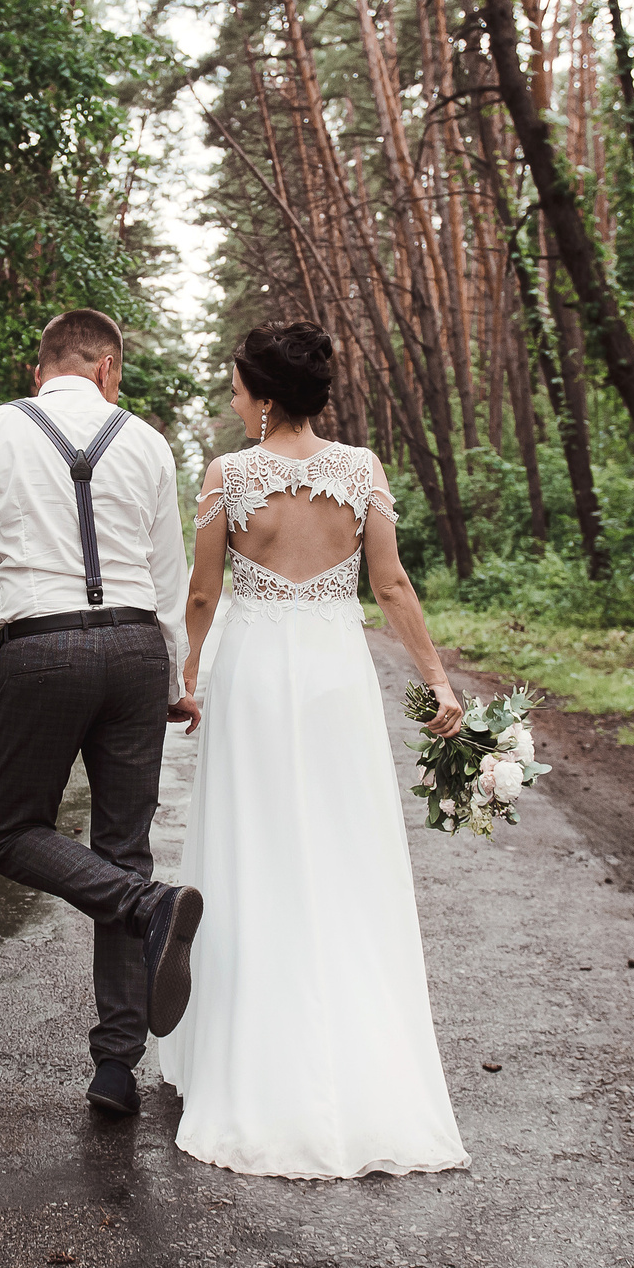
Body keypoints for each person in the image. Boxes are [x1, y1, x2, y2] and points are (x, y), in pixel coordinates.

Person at [160, 321, 470, 1179]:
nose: (232, 399)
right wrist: (439, 682)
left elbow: (202, 591)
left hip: (257, 679)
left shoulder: (231, 475)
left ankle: (250, 1053)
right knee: (344, 853)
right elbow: (392, 585)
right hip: (335, 679)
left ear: (262, 396)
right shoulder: (360, 470)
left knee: (254, 853)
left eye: (235, 386)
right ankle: (363, 1055)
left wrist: (188, 673)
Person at [0, 308, 204, 1120]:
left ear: (43, 370)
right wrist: (172, 674)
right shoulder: (146, 440)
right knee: (122, 849)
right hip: (137, 650)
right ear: (107, 367)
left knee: (12, 834)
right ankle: (115, 1070)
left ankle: (146, 908)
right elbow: (167, 575)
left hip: (44, 650)